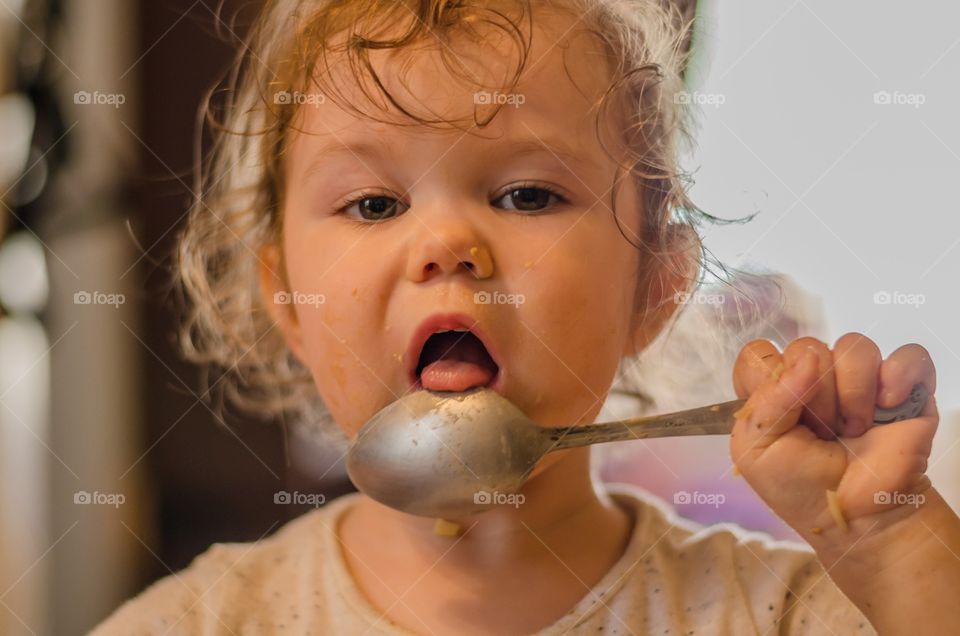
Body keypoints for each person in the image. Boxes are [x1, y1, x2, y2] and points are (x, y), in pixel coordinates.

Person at [92, 0, 958, 633]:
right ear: (289, 302)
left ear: (655, 286)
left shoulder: (778, 616)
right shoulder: (202, 623)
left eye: (528, 193)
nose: (448, 243)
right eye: (371, 204)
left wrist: (896, 542)